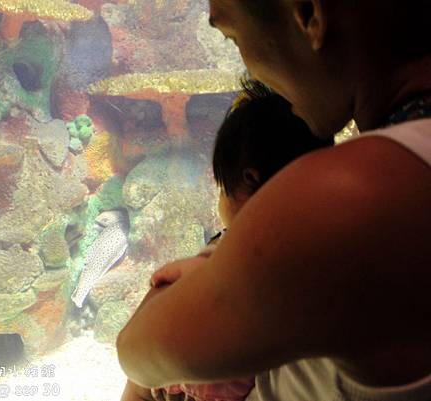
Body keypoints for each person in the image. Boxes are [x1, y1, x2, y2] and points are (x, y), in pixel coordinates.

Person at [117, 1, 431, 400]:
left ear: (308, 14)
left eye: (233, 36)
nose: (249, 69)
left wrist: (205, 267)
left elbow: (139, 353)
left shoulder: (348, 195)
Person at [121, 80, 332, 401]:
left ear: (250, 179)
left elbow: (134, 354)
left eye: (222, 187)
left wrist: (193, 280)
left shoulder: (239, 258)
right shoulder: (332, 243)